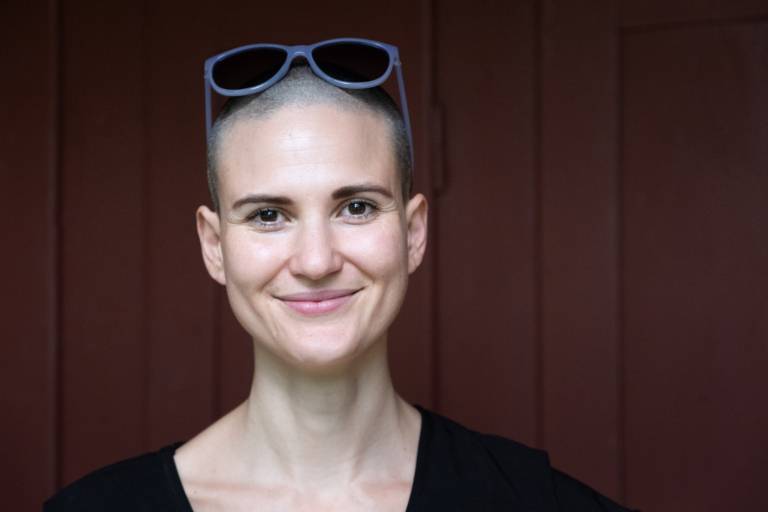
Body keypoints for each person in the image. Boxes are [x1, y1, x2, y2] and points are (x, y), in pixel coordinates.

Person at [45, 39, 635, 511]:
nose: (316, 260)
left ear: (412, 232)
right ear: (214, 245)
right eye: (269, 215)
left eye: (355, 207)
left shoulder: (534, 500)